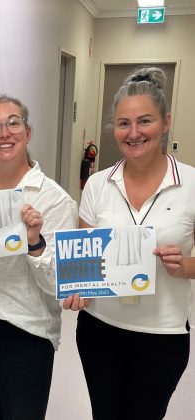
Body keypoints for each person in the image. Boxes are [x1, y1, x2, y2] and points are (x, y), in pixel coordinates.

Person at [64, 67, 195, 420]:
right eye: (123, 123)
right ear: (114, 129)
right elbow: (83, 262)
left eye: (145, 121)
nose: (134, 133)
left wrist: (185, 265)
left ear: (166, 122)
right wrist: (79, 289)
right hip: (99, 330)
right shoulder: (97, 185)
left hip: (162, 335)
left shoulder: (192, 184)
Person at [0, 95, 78, 420]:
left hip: (24, 328)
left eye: (13, 122)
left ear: (28, 132)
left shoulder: (54, 200)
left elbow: (60, 285)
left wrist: (34, 242)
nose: (3, 132)